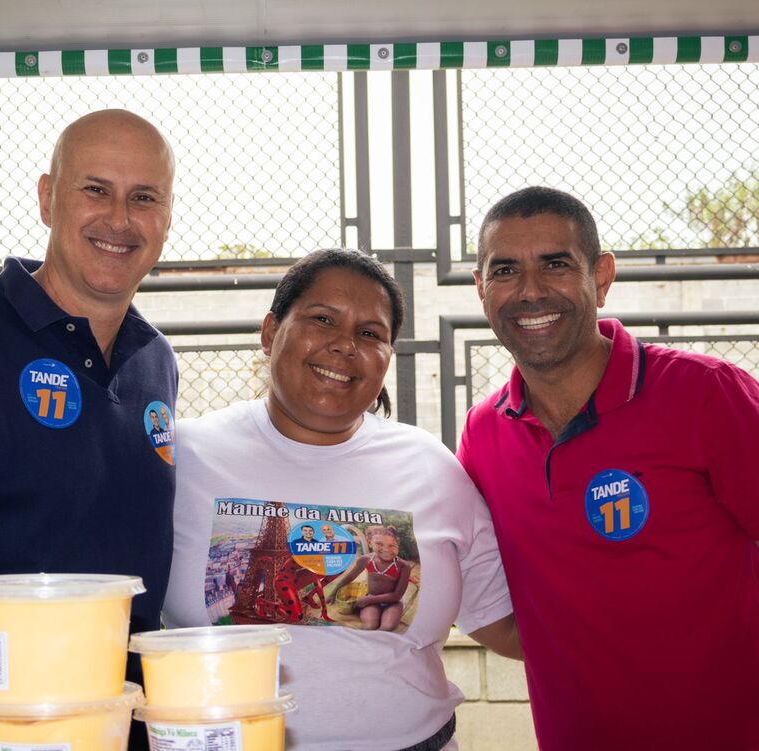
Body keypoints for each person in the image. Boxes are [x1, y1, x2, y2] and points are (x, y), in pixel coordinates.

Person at [163, 248, 520, 751]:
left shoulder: (432, 467)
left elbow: (503, 624)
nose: (344, 345)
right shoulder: (186, 455)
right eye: (322, 319)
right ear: (270, 333)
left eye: (370, 333)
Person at [457, 186, 759, 750]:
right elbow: (481, 594)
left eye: (555, 264)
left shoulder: (706, 395)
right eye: (505, 270)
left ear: (600, 276)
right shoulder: (482, 434)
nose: (530, 290)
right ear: (480, 288)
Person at [0, 111, 178, 747]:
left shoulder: (155, 360)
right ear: (46, 197)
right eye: (96, 189)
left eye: (144, 197)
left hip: (120, 717)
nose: (119, 219)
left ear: (166, 217)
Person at [327, 524, 412, 631]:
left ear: (397, 544)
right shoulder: (366, 560)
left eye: (391, 545)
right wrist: (334, 593)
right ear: (369, 543)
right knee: (370, 626)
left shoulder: (403, 566)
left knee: (387, 627)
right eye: (379, 544)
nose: (386, 549)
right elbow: (350, 577)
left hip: (393, 603)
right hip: (371, 599)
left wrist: (368, 599)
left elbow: (397, 595)